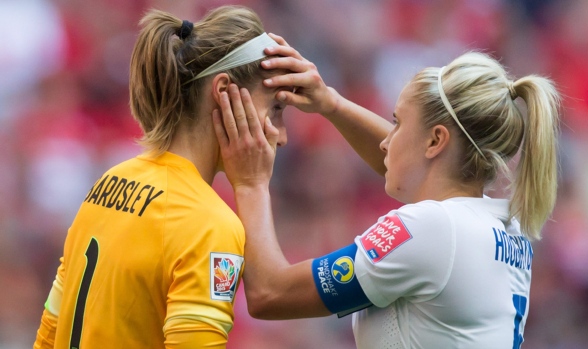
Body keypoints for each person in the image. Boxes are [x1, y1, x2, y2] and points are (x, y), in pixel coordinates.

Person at [214, 38, 560, 348]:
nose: (385, 140)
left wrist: (250, 183)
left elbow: (270, 295)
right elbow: (416, 172)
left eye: (397, 122)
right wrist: (331, 104)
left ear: (436, 141)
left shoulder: (435, 228)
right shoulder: (502, 225)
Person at [33, 5, 298, 348]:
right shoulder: (209, 224)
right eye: (275, 108)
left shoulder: (106, 182)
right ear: (224, 92)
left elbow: (48, 334)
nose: (282, 134)